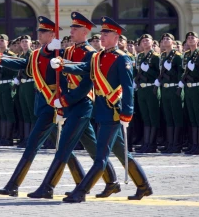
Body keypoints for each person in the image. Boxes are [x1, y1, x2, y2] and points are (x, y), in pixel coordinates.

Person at [54, 16, 152, 203]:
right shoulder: (98, 56)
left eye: (106, 33)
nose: (102, 36)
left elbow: (128, 87)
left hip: (114, 112)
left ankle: (81, 191)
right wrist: (63, 64)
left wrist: (127, 112)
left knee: (101, 156)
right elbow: (83, 68)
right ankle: (144, 186)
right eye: (102, 33)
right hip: (101, 111)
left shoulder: (122, 59)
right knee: (123, 153)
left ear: (116, 36)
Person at [0, 16, 86, 198]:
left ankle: (13, 185)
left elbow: (69, 68)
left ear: (52, 35)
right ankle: (81, 181)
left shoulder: (59, 53)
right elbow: (24, 64)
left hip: (53, 105)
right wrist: (0, 60)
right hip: (43, 103)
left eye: (43, 32)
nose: (39, 34)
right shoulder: (38, 53)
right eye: (39, 31)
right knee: (63, 148)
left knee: (32, 144)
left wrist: (54, 50)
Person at [155, 33, 184, 153]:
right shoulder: (162, 56)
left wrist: (170, 71)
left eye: (168, 39)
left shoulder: (177, 56)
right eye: (163, 39)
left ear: (173, 42)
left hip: (174, 88)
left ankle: (176, 144)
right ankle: (170, 143)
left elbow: (180, 74)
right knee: (168, 117)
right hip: (165, 89)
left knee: (176, 116)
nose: (165, 41)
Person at [181, 32, 199, 155]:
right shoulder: (186, 55)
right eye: (188, 38)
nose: (190, 39)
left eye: (193, 38)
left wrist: (195, 71)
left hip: (197, 87)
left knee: (198, 116)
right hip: (188, 89)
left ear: (197, 40)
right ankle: (194, 144)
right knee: (192, 117)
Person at [134, 34, 161, 153]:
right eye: (143, 41)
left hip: (151, 88)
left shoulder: (156, 57)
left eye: (147, 40)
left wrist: (148, 70)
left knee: (153, 116)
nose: (144, 42)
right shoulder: (139, 56)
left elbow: (159, 74)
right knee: (145, 117)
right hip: (141, 89)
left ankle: (152, 144)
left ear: (152, 42)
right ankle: (146, 143)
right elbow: (136, 72)